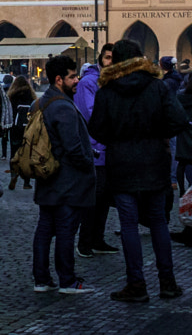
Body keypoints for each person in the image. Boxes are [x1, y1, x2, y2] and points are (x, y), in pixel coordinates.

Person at [87, 40, 188, 303]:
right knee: (158, 222)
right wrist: (157, 135)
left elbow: (96, 129)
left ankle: (136, 284)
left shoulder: (107, 91)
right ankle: (167, 282)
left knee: (129, 225)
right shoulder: (158, 87)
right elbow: (178, 121)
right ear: (140, 59)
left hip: (121, 163)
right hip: (155, 160)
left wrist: (117, 138)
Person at [33, 55, 98, 295]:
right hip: (66, 180)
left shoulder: (41, 102)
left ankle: (41, 279)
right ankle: (67, 280)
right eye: (72, 76)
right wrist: (86, 163)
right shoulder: (63, 106)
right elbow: (73, 148)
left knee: (44, 229)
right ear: (59, 79)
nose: (77, 80)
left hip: (47, 176)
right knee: (65, 231)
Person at [72, 45, 117, 257]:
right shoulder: (89, 82)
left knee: (105, 198)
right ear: (101, 59)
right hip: (95, 148)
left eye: (113, 58)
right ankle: (85, 241)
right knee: (93, 198)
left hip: (109, 149)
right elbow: (90, 114)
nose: (110, 61)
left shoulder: (112, 81)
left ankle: (97, 239)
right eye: (107, 57)